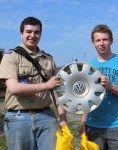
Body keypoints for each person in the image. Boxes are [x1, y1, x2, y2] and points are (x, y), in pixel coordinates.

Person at [0, 17, 68, 150]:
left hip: (46, 117)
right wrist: (47, 85)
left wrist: (63, 118)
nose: (32, 35)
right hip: (18, 118)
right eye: (28, 31)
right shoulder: (10, 56)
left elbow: (56, 92)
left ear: (40, 34)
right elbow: (14, 88)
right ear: (21, 33)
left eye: (36, 32)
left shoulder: (48, 59)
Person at [80, 24, 118, 150]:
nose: (101, 43)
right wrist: (83, 122)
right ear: (93, 43)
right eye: (98, 40)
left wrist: (110, 86)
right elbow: (86, 99)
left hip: (117, 126)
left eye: (105, 39)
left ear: (111, 40)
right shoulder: (89, 66)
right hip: (93, 126)